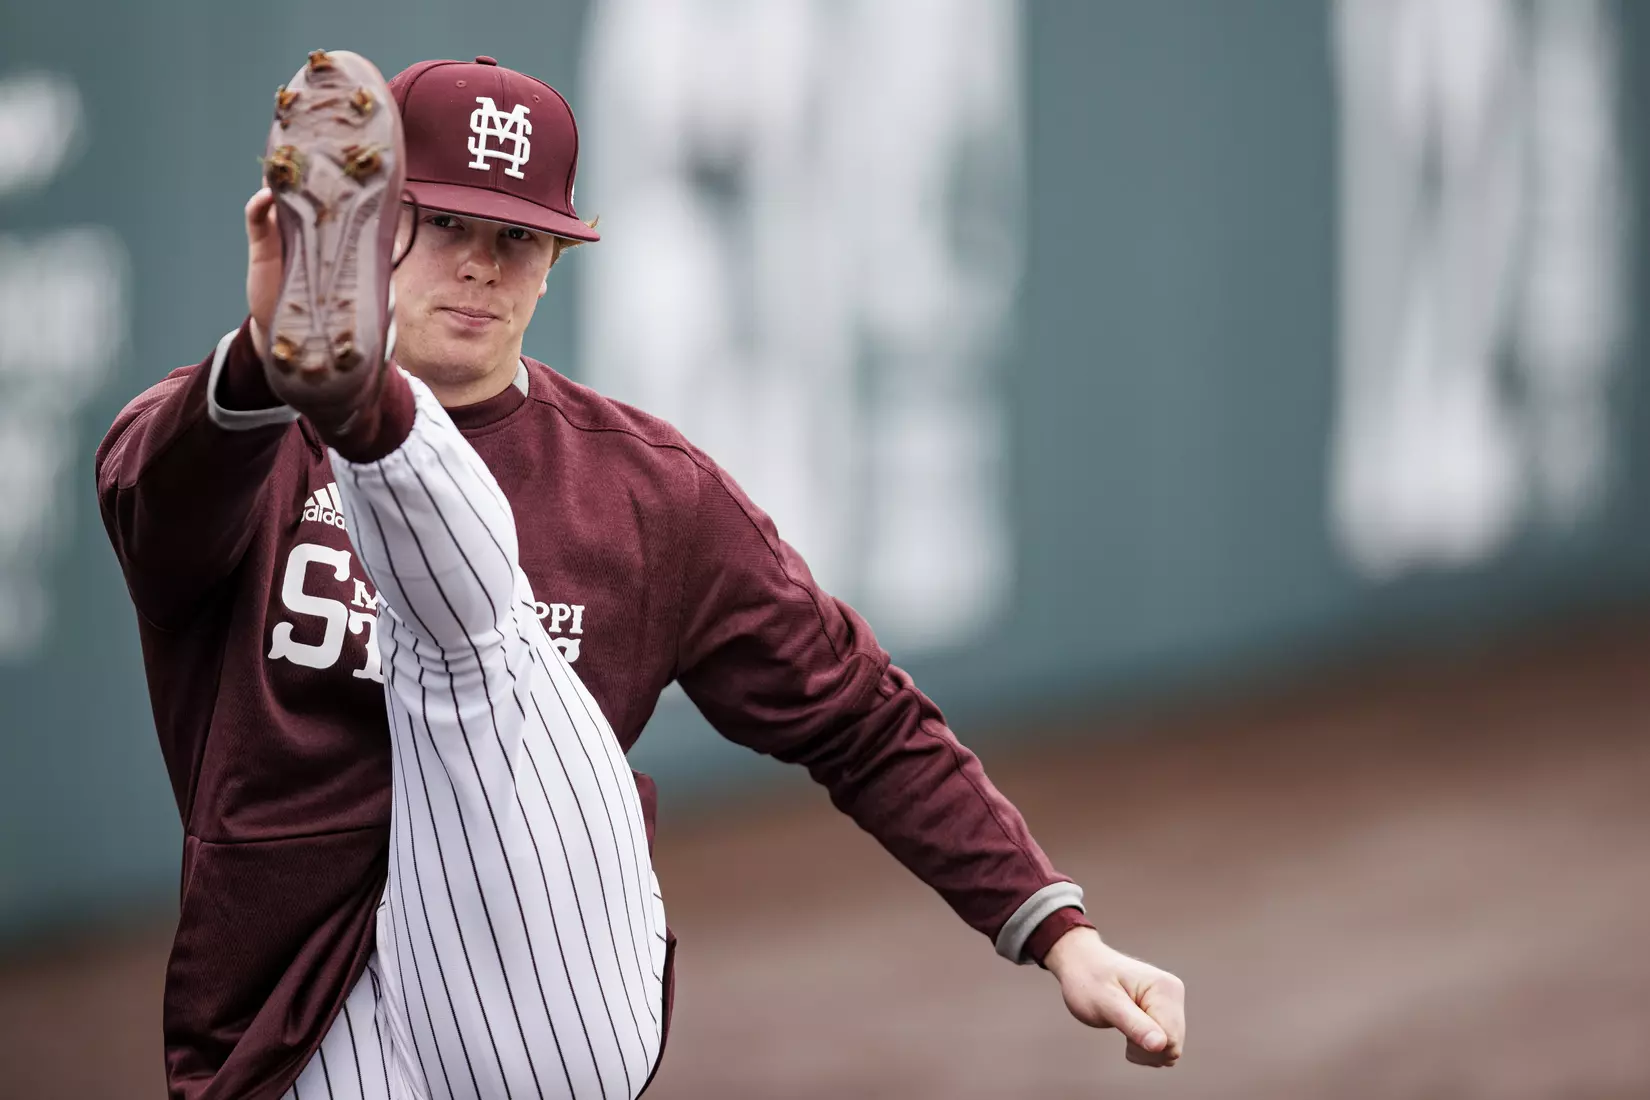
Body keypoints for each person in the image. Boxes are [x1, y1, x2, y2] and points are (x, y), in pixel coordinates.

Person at [96, 49, 1186, 1100]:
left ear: (560, 259)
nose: (482, 261)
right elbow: (151, 502)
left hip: (541, 990)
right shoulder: (231, 440)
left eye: (519, 236)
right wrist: (256, 368)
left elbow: (860, 716)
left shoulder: (646, 492)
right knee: (463, 628)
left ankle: (366, 407)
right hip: (291, 1023)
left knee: (483, 651)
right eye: (445, 224)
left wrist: (1059, 932)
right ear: (362, 232)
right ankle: (350, 393)